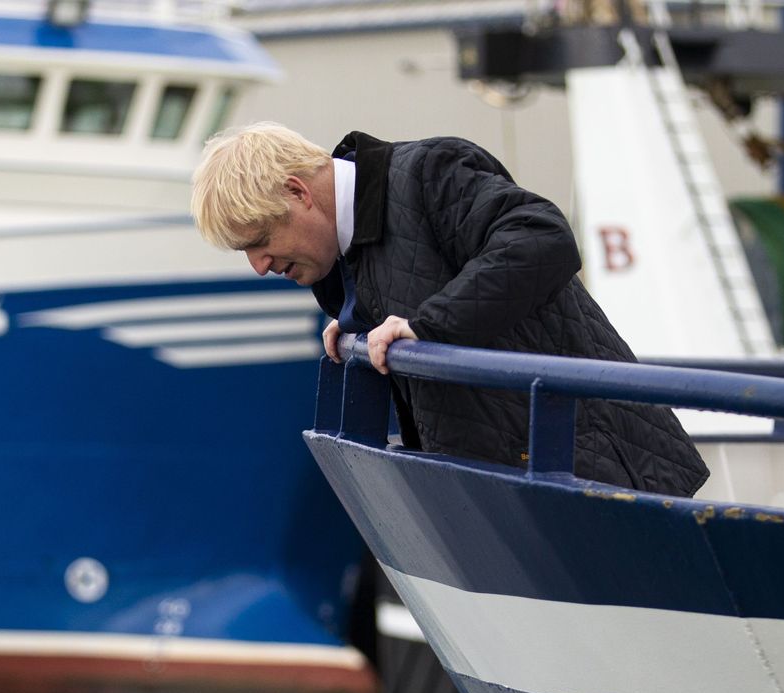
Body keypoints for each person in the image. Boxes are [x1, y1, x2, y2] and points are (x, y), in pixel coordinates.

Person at [191, 122, 708, 497]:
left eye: (258, 240)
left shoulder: (429, 173)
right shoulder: (346, 255)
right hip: (526, 490)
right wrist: (355, 323)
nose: (258, 265)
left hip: (605, 478)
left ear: (299, 192)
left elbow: (543, 239)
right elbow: (405, 286)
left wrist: (427, 326)